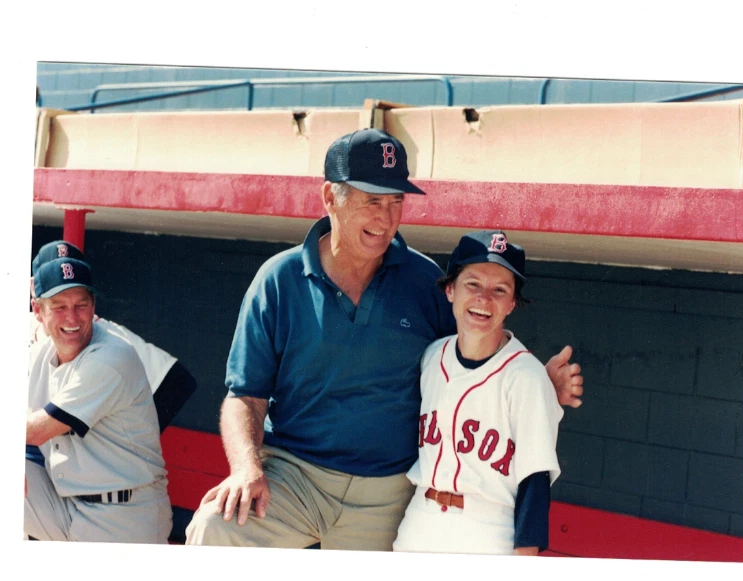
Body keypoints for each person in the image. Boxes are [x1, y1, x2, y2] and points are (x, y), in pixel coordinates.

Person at [185, 128, 582, 550]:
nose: (386, 218)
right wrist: (247, 468)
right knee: (214, 527)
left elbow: (473, 360)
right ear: (329, 198)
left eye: (396, 202)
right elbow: (244, 395)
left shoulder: (424, 279)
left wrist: (536, 385)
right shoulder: (279, 279)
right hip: (294, 476)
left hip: (388, 493)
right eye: (372, 201)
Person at [393, 230, 562, 555]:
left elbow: (535, 482)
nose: (484, 298)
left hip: (488, 529)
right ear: (450, 289)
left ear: (512, 303)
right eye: (473, 284)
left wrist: (523, 559)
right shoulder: (431, 356)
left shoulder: (526, 375)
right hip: (420, 520)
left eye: (500, 289)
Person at [25, 256, 172, 543]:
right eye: (59, 307)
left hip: (124, 516)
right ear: (38, 311)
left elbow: (35, 431)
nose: (72, 318)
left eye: (81, 305)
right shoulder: (40, 354)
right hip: (67, 505)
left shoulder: (111, 357)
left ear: (93, 307)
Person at [28, 240, 197, 436]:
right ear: (33, 285)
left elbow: (179, 381)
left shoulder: (103, 334)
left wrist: (137, 434)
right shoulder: (23, 324)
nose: (63, 280)